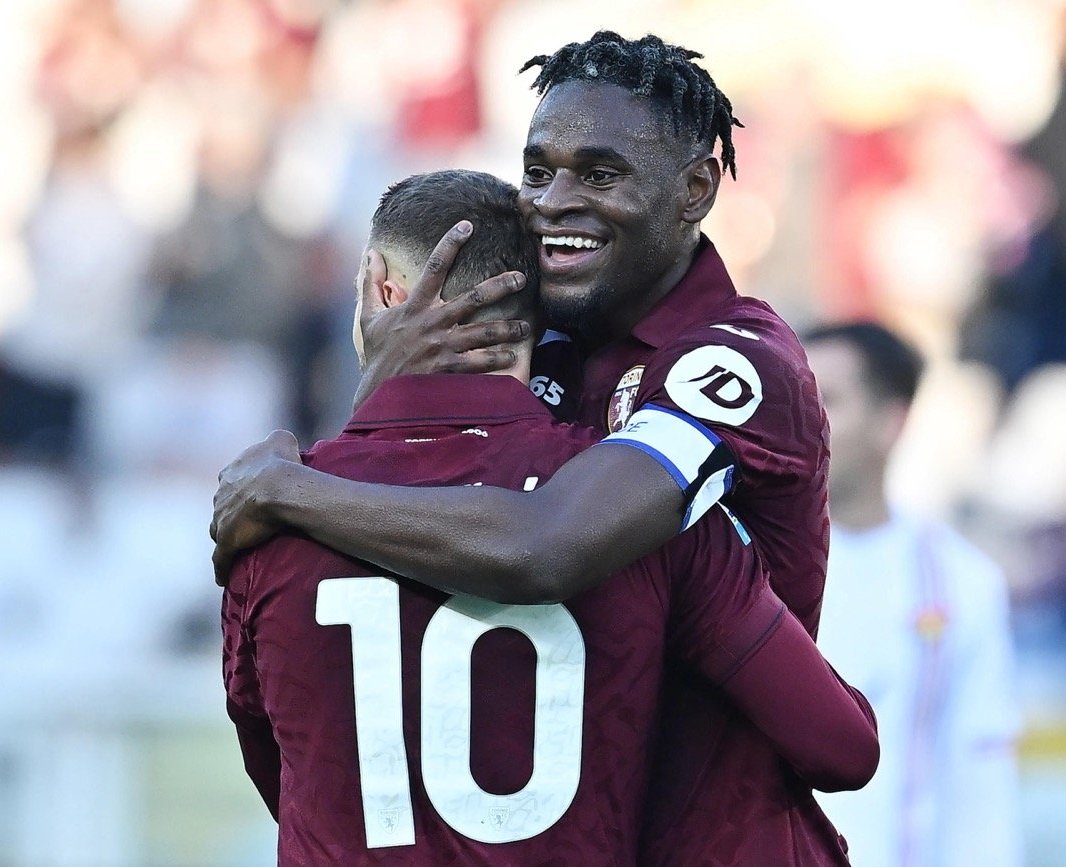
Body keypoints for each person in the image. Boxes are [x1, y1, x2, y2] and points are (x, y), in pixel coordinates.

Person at [213, 32, 839, 862]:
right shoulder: (543, 338)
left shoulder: (737, 361)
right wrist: (383, 389)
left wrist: (290, 490)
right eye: (538, 171)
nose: (552, 201)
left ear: (695, 189)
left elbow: (548, 545)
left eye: (600, 175)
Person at [803, 322, 1023, 867]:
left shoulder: (962, 583)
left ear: (891, 422)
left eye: (828, 400)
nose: (803, 418)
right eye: (795, 394)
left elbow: (981, 778)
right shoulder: (735, 561)